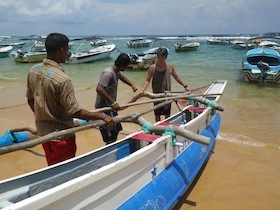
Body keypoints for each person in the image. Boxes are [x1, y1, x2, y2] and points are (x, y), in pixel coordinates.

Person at [26, 33, 115, 166]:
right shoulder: (62, 79)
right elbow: (74, 111)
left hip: (43, 134)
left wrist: (42, 115)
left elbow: (30, 100)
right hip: (62, 137)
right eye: (67, 50)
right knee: (64, 170)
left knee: (52, 167)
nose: (68, 53)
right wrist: (102, 116)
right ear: (61, 50)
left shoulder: (33, 70)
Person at [95, 53, 137, 145]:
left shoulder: (116, 72)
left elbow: (122, 77)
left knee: (116, 129)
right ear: (123, 65)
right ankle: (109, 154)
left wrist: (132, 85)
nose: (126, 68)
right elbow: (99, 89)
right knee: (110, 135)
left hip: (110, 107)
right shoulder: (108, 73)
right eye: (126, 65)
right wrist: (113, 102)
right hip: (104, 108)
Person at [140, 47, 190, 122]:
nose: (160, 59)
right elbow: (147, 80)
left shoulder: (170, 67)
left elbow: (176, 77)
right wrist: (142, 90)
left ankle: (166, 130)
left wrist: (185, 86)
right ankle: (158, 131)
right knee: (157, 115)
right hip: (156, 96)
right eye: (158, 57)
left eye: (162, 57)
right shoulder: (152, 68)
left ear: (166, 57)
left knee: (167, 116)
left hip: (167, 96)